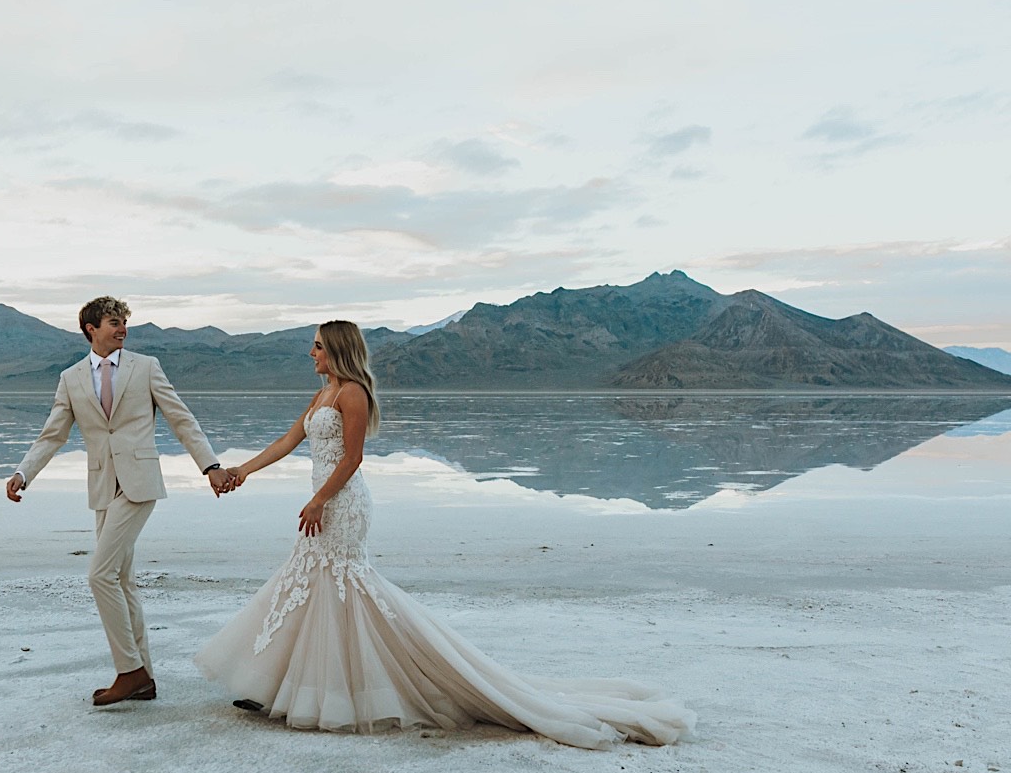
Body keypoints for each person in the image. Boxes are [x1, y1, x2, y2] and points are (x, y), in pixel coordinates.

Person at [193, 320, 694, 748]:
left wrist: (321, 499)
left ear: (338, 350)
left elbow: (352, 458)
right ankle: (286, 688)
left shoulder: (352, 393)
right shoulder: (323, 392)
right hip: (323, 502)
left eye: (318, 345)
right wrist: (243, 470)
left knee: (343, 590)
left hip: (342, 506)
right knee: (308, 587)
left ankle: (351, 690)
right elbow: (289, 438)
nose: (311, 353)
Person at [7, 296, 234, 706]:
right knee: (122, 582)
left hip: (139, 482)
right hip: (102, 487)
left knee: (100, 575)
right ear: (91, 328)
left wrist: (210, 466)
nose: (122, 329)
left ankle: (128, 670)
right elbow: (53, 434)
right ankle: (143, 678)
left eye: (124, 322)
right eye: (114, 322)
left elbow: (180, 417)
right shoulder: (71, 377)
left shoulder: (145, 368)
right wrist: (24, 472)